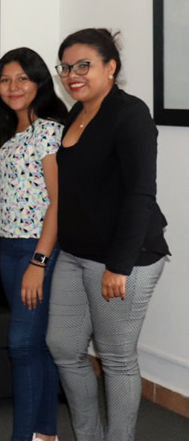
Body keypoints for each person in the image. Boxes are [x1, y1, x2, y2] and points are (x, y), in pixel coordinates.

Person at [47, 29, 169, 441]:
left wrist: (118, 266)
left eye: (84, 65)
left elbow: (140, 194)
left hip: (125, 258)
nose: (72, 75)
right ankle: (89, 436)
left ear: (110, 67)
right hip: (77, 251)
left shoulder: (129, 113)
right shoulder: (76, 112)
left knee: (116, 358)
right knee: (63, 347)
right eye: (66, 67)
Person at [0, 48, 67, 441]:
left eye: (23, 78)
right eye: (6, 79)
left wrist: (39, 260)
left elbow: (58, 199)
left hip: (38, 249)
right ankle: (45, 435)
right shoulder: (12, 131)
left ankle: (24, 437)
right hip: (8, 248)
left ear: (39, 82)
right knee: (35, 344)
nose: (13, 87)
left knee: (21, 345)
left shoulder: (49, 131)